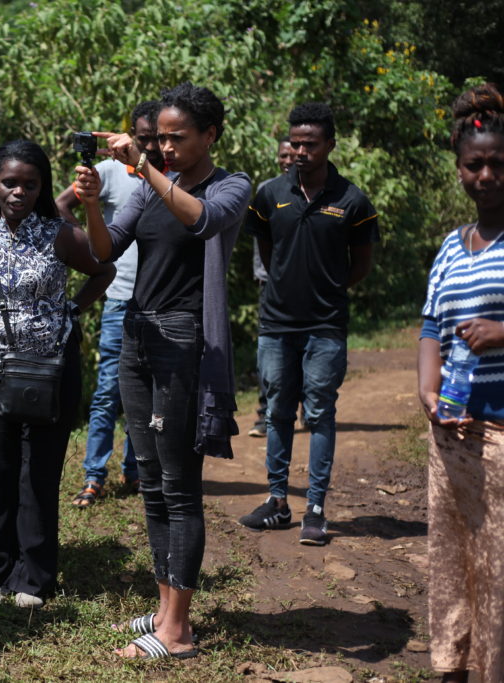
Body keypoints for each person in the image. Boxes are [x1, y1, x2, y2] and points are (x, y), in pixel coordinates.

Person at [75, 82, 250, 659]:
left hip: (184, 338)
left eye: (178, 138)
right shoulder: (148, 190)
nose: (167, 147)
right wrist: (95, 202)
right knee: (151, 482)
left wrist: (145, 167)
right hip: (137, 331)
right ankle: (163, 609)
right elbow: (105, 250)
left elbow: (202, 221)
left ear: (210, 136)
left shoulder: (230, 186)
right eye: (161, 139)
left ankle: (177, 631)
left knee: (179, 486)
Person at [0, 139, 114, 609]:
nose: (18, 192)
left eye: (29, 184)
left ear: (41, 188)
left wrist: (72, 310)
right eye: (9, 182)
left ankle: (35, 578)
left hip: (48, 371)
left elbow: (105, 270)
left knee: (37, 474)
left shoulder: (58, 232)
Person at [241, 103, 378, 545]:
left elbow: (360, 265)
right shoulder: (269, 194)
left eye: (310, 144)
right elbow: (266, 251)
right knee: (279, 411)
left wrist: (326, 291)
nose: (300, 151)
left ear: (329, 146)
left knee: (319, 414)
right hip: (277, 325)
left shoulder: (353, 201)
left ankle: (315, 508)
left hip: (325, 327)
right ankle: (277, 502)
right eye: (295, 143)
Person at [418, 82, 504, 683]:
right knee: (451, 563)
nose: (487, 175)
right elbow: (431, 327)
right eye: (475, 165)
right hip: (449, 434)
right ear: (458, 170)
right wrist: (428, 389)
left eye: (499, 164)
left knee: (499, 569)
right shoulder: (451, 247)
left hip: (501, 436)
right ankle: (449, 668)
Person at [55, 101, 164, 507]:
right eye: (144, 136)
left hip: (161, 301)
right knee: (107, 393)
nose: (151, 144)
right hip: (120, 298)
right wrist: (86, 250)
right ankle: (94, 475)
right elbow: (61, 203)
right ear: (132, 135)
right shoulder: (112, 173)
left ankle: (136, 470)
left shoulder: (173, 177)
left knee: (150, 395)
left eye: (158, 136)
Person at [247, 136, 294, 438]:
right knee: (269, 349)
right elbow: (258, 237)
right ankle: (265, 414)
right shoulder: (267, 189)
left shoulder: (318, 188)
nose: (288, 160)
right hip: (272, 284)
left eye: (292, 154)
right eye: (283, 155)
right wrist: (262, 271)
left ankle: (297, 405)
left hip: (305, 285)